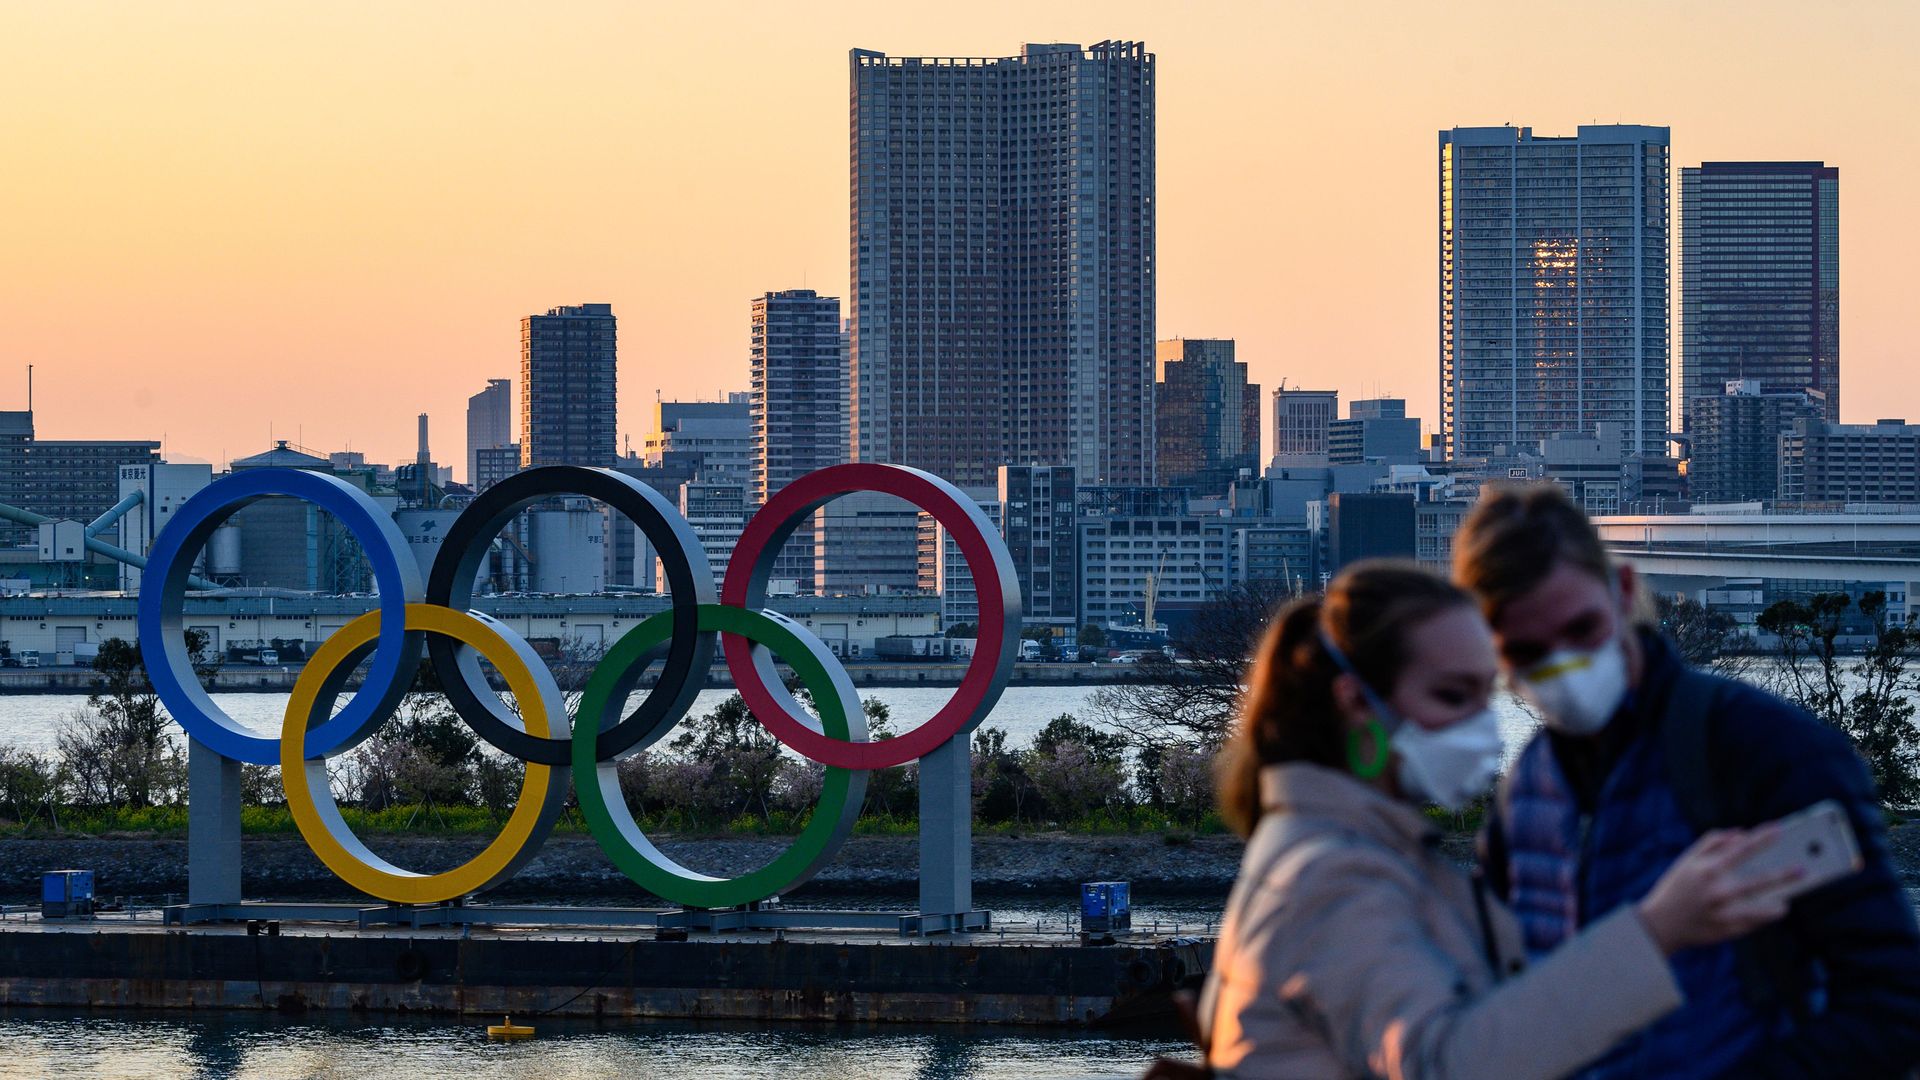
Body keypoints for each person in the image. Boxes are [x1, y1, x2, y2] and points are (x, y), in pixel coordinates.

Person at [1170, 560, 1794, 1080]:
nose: (1482, 728)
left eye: (1485, 695)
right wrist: (1655, 931)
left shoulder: (1339, 850)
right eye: (1451, 697)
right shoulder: (1334, 877)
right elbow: (1443, 1060)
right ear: (1358, 702)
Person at [1454, 483, 1920, 1079]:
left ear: (1623, 593)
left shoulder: (1762, 748)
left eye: (1581, 631)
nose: (1563, 666)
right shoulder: (1526, 791)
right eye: (1528, 651)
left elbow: (1892, 1002)